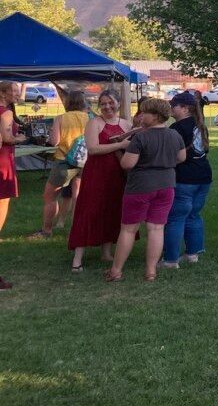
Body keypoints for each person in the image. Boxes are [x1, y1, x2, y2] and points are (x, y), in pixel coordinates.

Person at [105, 98, 185, 283]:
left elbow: (127, 164)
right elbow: (182, 157)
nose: (140, 116)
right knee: (156, 229)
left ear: (156, 116)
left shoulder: (141, 137)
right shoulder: (174, 135)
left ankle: (116, 271)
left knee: (128, 230)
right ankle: (150, 272)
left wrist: (118, 151)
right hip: (166, 185)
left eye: (144, 112)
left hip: (140, 187)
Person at [68, 89, 134, 272]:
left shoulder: (127, 125)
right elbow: (93, 149)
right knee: (89, 211)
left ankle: (106, 252)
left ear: (118, 103)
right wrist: (120, 144)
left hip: (117, 174)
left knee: (112, 210)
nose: (107, 106)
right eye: (103, 103)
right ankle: (77, 259)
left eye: (110, 102)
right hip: (96, 174)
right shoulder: (93, 123)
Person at [161, 90, 213, 268]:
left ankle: (170, 259)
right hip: (203, 176)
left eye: (173, 106)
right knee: (193, 215)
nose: (171, 110)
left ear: (184, 108)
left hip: (184, 177)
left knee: (176, 217)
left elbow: (171, 154)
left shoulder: (177, 128)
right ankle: (193, 253)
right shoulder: (200, 125)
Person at [30, 89, 90, 238]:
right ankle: (76, 230)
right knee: (79, 196)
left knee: (50, 197)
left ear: (67, 102)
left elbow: (54, 141)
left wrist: (51, 134)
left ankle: (46, 230)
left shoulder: (61, 118)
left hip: (63, 161)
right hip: (84, 161)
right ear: (83, 102)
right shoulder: (90, 118)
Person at [1, 81, 28, 290]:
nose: (18, 95)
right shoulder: (6, 113)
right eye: (15, 91)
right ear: (4, 93)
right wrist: (20, 138)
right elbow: (7, 138)